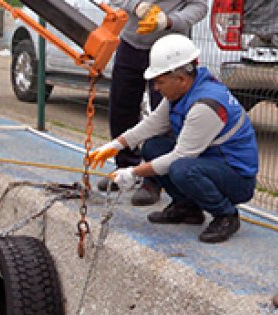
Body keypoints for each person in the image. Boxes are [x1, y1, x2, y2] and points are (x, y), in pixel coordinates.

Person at [86, 34, 258, 244]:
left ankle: (226, 215)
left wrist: (132, 172)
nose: (156, 88)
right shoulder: (182, 92)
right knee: (153, 147)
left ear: (181, 79)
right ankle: (187, 208)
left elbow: (180, 156)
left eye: (160, 81)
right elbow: (152, 125)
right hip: (211, 164)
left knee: (181, 168)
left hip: (236, 178)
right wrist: (116, 145)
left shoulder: (206, 105)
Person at [99, 0, 207, 206]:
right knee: (121, 109)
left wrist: (168, 21)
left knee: (164, 118)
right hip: (131, 43)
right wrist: (137, 5)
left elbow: (200, 7)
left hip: (169, 49)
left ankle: (153, 180)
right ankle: (124, 169)